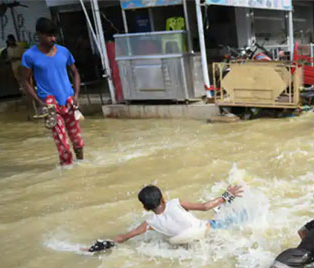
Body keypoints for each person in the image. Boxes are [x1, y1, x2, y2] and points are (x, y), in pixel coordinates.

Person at [84, 184, 244, 252]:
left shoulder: (150, 223)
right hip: (207, 229)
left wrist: (104, 244)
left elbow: (125, 237)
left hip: (186, 242)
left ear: (145, 207)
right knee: (239, 219)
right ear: (163, 198)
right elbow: (205, 207)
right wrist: (226, 195)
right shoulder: (176, 203)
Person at [21, 18, 84, 166]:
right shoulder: (29, 56)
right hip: (50, 103)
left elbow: (75, 72)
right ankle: (67, 170)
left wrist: (75, 95)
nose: (53, 39)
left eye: (54, 35)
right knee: (62, 144)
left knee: (78, 141)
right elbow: (25, 80)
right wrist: (39, 101)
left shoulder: (64, 52)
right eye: (49, 36)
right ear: (39, 35)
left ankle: (81, 164)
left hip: (68, 100)